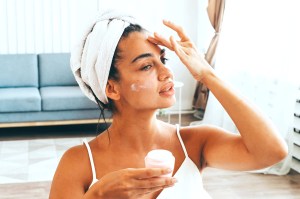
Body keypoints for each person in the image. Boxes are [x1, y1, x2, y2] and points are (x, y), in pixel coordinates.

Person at [49, 10, 288, 199]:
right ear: (112, 88)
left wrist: (207, 73)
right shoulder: (77, 163)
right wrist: (98, 197)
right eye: (146, 66)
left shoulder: (195, 144)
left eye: (164, 59)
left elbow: (272, 152)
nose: (167, 72)